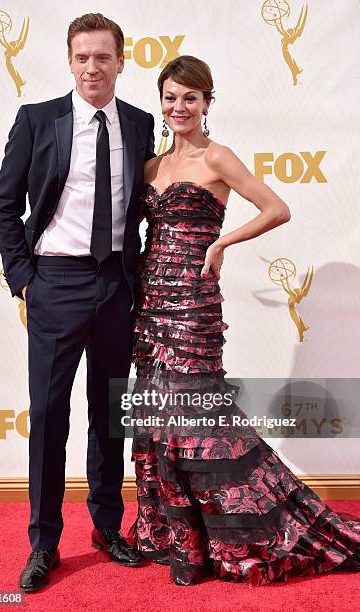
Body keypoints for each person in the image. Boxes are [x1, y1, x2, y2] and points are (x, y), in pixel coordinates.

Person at [130, 55, 360, 586]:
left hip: (193, 300)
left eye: (190, 97)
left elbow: (276, 207)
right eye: (170, 96)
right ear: (160, 103)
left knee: (198, 420)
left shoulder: (219, 158)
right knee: (156, 420)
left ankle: (232, 537)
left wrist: (222, 241)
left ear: (207, 102)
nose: (179, 106)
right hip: (151, 302)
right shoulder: (151, 167)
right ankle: (179, 535)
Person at [0, 12, 154, 592]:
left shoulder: (139, 125)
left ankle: (108, 529)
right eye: (82, 57)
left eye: (103, 57)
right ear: (69, 60)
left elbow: (141, 208)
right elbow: (4, 206)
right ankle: (43, 543)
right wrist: (24, 277)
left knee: (108, 416)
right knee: (48, 417)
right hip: (54, 283)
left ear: (120, 61)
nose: (92, 67)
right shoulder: (37, 120)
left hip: (115, 285)